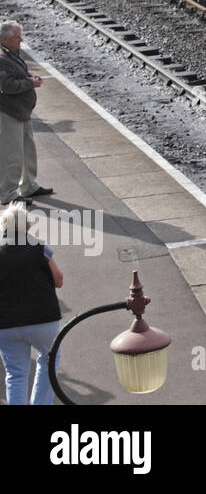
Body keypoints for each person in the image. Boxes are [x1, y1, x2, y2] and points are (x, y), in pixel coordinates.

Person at [0, 202, 64, 405]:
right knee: (48, 360)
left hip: (5, 324)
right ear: (27, 226)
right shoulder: (40, 248)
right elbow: (58, 279)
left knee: (16, 373)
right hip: (43, 319)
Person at [0, 21, 53, 204]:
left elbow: (16, 77)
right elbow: (6, 86)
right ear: (5, 39)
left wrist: (28, 78)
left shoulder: (11, 53)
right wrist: (30, 83)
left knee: (28, 149)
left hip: (22, 111)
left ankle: (28, 185)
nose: (21, 40)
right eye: (17, 37)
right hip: (9, 112)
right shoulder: (1, 58)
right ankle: (7, 193)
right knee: (12, 154)